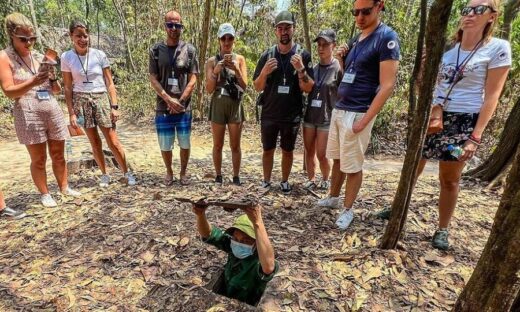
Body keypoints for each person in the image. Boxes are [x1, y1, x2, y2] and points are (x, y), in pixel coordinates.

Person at [417, 0, 510, 250]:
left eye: (479, 9)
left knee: (450, 177)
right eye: (467, 9)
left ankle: (442, 228)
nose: (470, 14)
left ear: (491, 16)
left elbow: (492, 96)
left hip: (463, 123)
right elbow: (425, 86)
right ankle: (397, 207)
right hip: (434, 117)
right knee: (414, 164)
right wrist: (424, 68)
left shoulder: (497, 48)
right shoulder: (447, 47)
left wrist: (474, 137)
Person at [318, 0, 400, 230]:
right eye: (356, 12)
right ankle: (333, 197)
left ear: (379, 6)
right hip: (342, 106)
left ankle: (348, 208)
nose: (360, 17)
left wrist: (365, 119)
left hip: (359, 110)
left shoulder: (386, 38)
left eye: (366, 11)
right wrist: (343, 60)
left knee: (353, 164)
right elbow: (349, 75)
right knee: (338, 158)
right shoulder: (357, 38)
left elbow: (387, 85)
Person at [0, 13, 81, 207]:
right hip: (28, 111)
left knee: (58, 153)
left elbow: (56, 90)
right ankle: (44, 193)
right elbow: (9, 91)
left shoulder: (38, 56)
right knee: (39, 158)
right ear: (11, 35)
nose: (29, 43)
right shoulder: (4, 57)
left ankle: (64, 187)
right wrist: (33, 81)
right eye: (24, 39)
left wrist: (52, 78)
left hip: (50, 108)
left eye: (32, 38)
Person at [62, 21, 136, 188]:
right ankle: (104, 174)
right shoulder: (66, 57)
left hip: (100, 98)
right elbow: (67, 87)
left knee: (113, 140)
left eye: (85, 35)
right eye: (78, 36)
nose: (82, 39)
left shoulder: (99, 55)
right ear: (71, 37)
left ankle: (127, 172)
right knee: (94, 141)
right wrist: (72, 112)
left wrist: (114, 106)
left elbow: (110, 82)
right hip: (81, 100)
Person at [253, 11, 314, 194]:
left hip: (291, 114)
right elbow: (257, 86)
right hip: (270, 112)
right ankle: (266, 180)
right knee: (268, 149)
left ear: (293, 29)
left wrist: (301, 70)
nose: (284, 31)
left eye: (287, 28)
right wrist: (264, 72)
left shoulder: (303, 55)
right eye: (280, 28)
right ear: (275, 31)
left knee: (288, 150)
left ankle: (285, 181)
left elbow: (309, 88)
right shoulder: (268, 55)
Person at [149, 10, 199, 186]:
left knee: (184, 142)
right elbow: (153, 77)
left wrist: (181, 101)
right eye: (170, 24)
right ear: (165, 26)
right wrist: (168, 99)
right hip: (163, 107)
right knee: (165, 143)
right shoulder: (156, 50)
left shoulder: (190, 50)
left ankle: (183, 173)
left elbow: (193, 77)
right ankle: (169, 171)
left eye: (177, 25)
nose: (173, 28)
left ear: (181, 27)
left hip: (184, 107)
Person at [192, 204, 278, 306]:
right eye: (236, 239)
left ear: (256, 243)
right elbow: (208, 233)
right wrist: (200, 215)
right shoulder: (231, 246)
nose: (239, 243)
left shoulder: (258, 260)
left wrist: (257, 222)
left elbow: (269, 267)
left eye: (246, 241)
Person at [205, 23, 247, 186]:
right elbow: (209, 89)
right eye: (224, 38)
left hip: (235, 104)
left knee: (235, 144)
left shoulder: (240, 59)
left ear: (234, 40)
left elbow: (244, 86)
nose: (227, 42)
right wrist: (216, 71)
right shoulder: (211, 61)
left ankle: (236, 176)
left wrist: (236, 70)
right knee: (217, 144)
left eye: (230, 38)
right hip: (218, 104)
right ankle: (218, 175)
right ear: (219, 40)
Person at [302, 29, 342, 191]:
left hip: (327, 116)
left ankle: (326, 178)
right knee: (309, 150)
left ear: (333, 46)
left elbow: (344, 92)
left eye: (325, 44)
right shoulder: (313, 68)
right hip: (310, 115)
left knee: (322, 153)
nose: (321, 48)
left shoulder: (338, 68)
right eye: (319, 45)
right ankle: (311, 179)